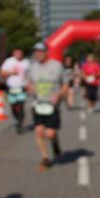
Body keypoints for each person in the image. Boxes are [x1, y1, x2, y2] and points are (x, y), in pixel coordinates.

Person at [26, 43, 67, 171]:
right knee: (38, 131)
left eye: (40, 51)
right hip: (38, 103)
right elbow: (29, 83)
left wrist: (58, 95)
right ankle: (45, 158)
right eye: (35, 52)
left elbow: (65, 85)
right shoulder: (32, 67)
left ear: (46, 52)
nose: (37, 54)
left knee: (50, 133)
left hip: (52, 104)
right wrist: (30, 88)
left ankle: (55, 142)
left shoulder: (57, 66)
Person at [0, 47, 30, 133]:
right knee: (13, 106)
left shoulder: (26, 62)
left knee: (20, 105)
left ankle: (19, 124)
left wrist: (29, 83)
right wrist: (11, 73)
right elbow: (2, 73)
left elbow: (30, 74)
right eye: (16, 53)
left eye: (20, 53)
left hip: (22, 87)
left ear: (22, 53)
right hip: (11, 88)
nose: (18, 55)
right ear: (14, 53)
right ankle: (17, 119)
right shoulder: (9, 61)